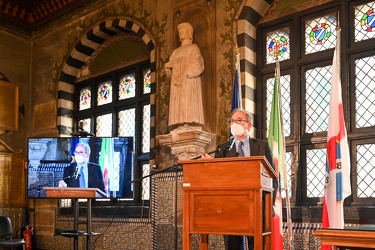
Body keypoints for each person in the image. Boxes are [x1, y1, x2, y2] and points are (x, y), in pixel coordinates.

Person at [202, 108, 278, 250]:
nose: (234, 123)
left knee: (257, 244)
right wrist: (209, 167)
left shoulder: (261, 146)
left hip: (257, 205)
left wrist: (269, 205)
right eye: (232, 121)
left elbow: (273, 177)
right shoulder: (222, 149)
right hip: (231, 207)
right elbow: (217, 179)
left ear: (248, 125)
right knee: (232, 245)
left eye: (239, 120)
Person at [165, 22, 205, 130]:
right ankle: (181, 124)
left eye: (182, 30)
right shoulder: (175, 52)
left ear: (189, 33)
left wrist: (186, 73)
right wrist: (168, 68)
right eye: (179, 31)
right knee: (179, 103)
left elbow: (197, 64)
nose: (180, 33)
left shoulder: (193, 48)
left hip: (188, 81)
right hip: (177, 85)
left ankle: (189, 123)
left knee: (188, 103)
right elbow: (170, 74)